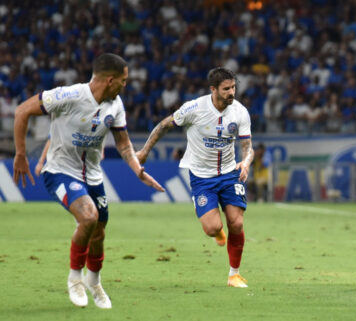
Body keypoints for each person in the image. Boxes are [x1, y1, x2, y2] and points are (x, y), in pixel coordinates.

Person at [12, 53, 165, 309]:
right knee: (88, 217)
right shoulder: (68, 95)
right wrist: (20, 154)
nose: (125, 85)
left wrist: (137, 169)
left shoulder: (115, 105)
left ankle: (94, 282)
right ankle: (75, 279)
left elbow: (124, 144)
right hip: (60, 171)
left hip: (93, 175)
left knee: (99, 233)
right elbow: (22, 111)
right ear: (109, 79)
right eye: (123, 81)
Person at [136, 67, 254, 288]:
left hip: (230, 174)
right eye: (226, 89)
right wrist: (144, 151)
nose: (232, 93)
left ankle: (234, 275)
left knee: (236, 223)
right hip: (202, 177)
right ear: (213, 89)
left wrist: (245, 162)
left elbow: (248, 147)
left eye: (233, 88)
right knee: (211, 228)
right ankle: (218, 231)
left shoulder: (240, 112)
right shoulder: (193, 109)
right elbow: (163, 126)